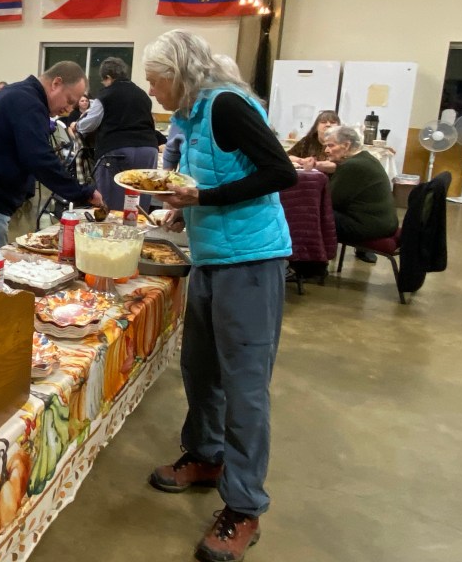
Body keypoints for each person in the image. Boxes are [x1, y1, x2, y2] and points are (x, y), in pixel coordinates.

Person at [143, 30, 295, 562]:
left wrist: (203, 197)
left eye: (155, 81)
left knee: (245, 388)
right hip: (210, 259)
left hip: (250, 263)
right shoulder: (190, 115)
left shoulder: (227, 106)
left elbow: (281, 173)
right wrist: (182, 208)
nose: (151, 91)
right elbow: (207, 175)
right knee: (200, 367)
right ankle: (206, 455)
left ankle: (244, 506)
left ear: (179, 73)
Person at [0, 62, 102, 254]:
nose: (69, 109)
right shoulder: (27, 102)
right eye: (69, 100)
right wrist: (82, 193)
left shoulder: (25, 96)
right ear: (56, 83)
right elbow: (39, 159)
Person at [74, 57, 159, 212]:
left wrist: (77, 125)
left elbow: (90, 123)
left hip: (116, 150)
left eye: (104, 81)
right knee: (139, 204)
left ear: (108, 77)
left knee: (112, 206)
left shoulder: (106, 94)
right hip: (148, 150)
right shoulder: (143, 95)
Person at [323, 124, 398, 249]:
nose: (326, 150)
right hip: (386, 223)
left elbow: (331, 201)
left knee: (314, 213)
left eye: (331, 145)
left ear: (346, 145)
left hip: (371, 227)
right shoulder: (367, 158)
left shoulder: (352, 165)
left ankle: (312, 259)